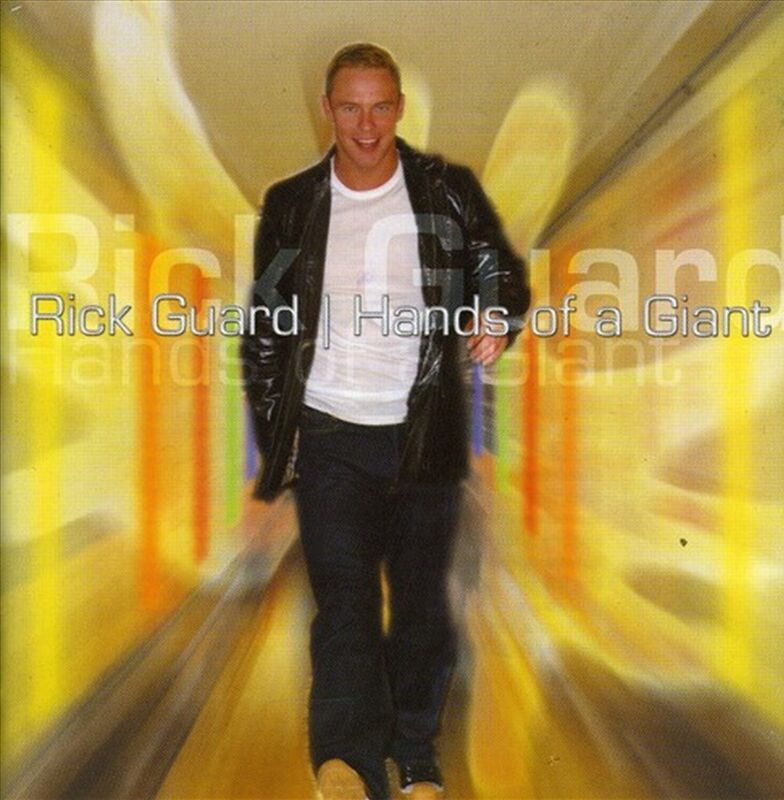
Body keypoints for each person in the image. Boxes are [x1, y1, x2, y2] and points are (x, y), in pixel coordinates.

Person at [241, 43, 530, 800]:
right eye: (350, 107)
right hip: (330, 434)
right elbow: (267, 328)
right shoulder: (292, 203)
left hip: (423, 433)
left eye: (379, 107)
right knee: (345, 605)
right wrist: (282, 443)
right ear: (328, 110)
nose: (365, 125)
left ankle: (415, 753)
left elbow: (497, 269)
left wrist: (497, 312)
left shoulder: (447, 191)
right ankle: (346, 759)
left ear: (400, 108)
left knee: (423, 608)